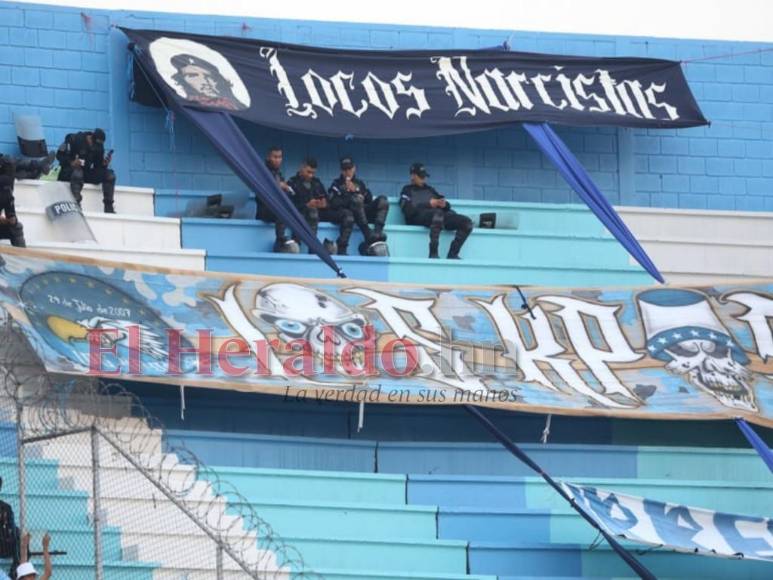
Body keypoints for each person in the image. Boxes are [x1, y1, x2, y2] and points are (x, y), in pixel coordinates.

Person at [399, 162, 473, 259]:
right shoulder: (406, 190)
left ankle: (453, 254)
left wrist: (444, 204)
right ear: (413, 176)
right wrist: (429, 204)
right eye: (421, 176)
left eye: (424, 176)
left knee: (466, 222)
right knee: (437, 214)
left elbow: (446, 205)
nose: (424, 179)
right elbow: (408, 211)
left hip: (439, 217)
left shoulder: (430, 190)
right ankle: (433, 253)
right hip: (420, 218)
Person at [288, 158, 354, 255]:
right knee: (312, 212)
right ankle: (313, 247)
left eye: (313, 173)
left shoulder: (317, 182)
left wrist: (325, 204)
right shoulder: (292, 183)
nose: (311, 175)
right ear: (301, 168)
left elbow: (327, 199)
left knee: (347, 214)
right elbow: (289, 204)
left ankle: (342, 247)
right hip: (302, 213)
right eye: (308, 172)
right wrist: (307, 205)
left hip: (321, 212)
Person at [328, 157, 389, 251]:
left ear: (354, 168)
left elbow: (369, 198)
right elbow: (333, 203)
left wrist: (356, 190)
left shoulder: (359, 183)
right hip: (350, 215)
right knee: (356, 200)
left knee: (383, 200)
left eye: (350, 169)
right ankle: (367, 234)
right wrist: (349, 198)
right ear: (341, 171)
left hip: (364, 213)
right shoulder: (336, 184)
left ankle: (377, 232)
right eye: (345, 169)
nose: (348, 172)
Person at [56, 128, 116, 213]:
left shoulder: (98, 147)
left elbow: (97, 167)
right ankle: (76, 205)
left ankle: (109, 207)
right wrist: (71, 162)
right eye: (93, 144)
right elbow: (59, 155)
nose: (94, 147)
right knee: (78, 173)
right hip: (68, 172)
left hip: (85, 173)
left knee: (110, 175)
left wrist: (104, 164)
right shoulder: (74, 139)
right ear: (90, 137)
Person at [170, 53, 247, 111]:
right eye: (193, 76)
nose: (204, 81)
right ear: (183, 80)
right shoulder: (187, 105)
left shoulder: (237, 105)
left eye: (208, 76)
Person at [256, 145, 298, 253]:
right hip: (264, 209)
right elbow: (265, 188)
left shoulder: (278, 173)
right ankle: (280, 241)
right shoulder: (262, 171)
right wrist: (279, 186)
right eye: (275, 157)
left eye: (279, 157)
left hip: (275, 208)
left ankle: (296, 241)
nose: (277, 160)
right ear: (268, 157)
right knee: (282, 211)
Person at [0, 156, 26, 248]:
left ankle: (21, 257)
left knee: (16, 228)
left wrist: (11, 219)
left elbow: (11, 217)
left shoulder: (7, 191)